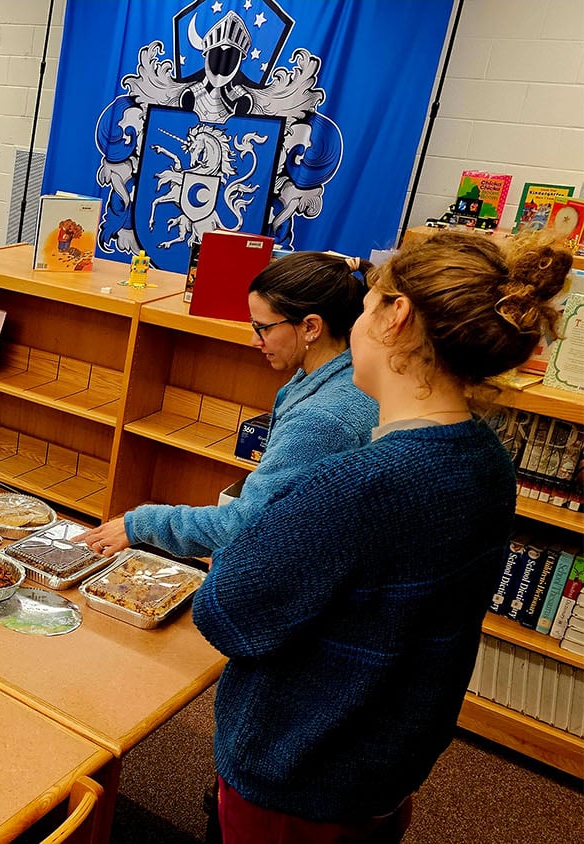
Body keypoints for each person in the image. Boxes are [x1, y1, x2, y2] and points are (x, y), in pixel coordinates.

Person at [193, 232, 570, 842]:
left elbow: (227, 615)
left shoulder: (354, 487)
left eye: (368, 306)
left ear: (396, 317)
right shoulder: (488, 462)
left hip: (299, 769)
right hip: (383, 765)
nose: (358, 321)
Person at [84, 252, 378, 558]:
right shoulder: (343, 373)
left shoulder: (321, 420)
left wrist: (141, 523)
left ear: (311, 327)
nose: (254, 340)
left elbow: (245, 525)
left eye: (263, 327)